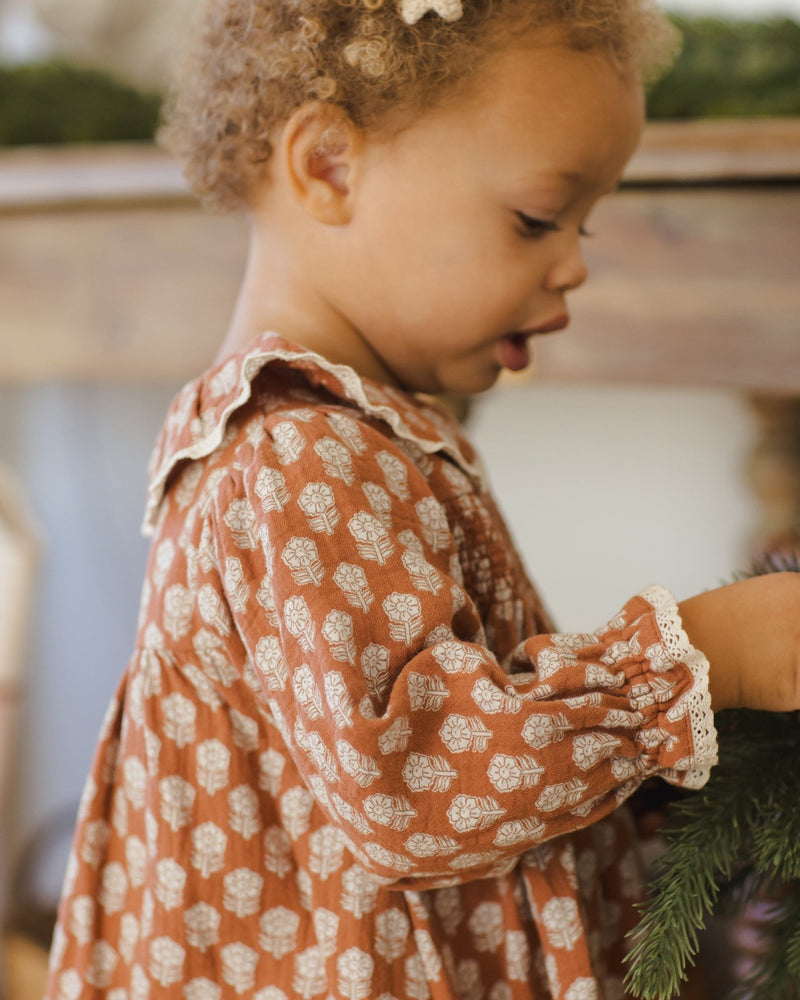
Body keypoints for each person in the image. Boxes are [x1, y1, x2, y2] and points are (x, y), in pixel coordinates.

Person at [45, 1, 800, 997]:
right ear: (328, 167)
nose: (572, 260)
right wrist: (705, 655)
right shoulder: (297, 456)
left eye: (583, 221)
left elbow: (469, 732)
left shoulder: (358, 435)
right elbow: (411, 780)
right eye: (536, 216)